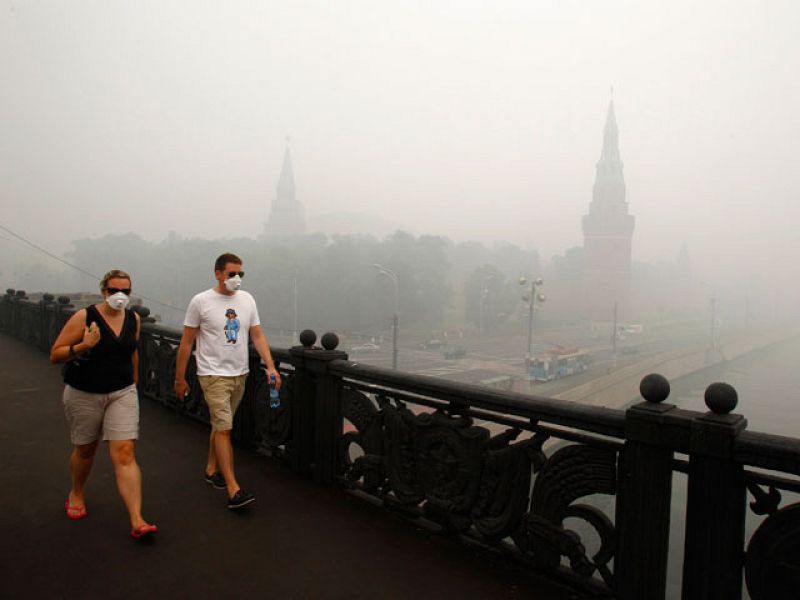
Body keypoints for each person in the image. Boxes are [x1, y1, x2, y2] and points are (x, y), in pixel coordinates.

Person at [50, 269, 157, 539]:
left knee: (124, 453)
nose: (120, 296)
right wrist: (84, 345)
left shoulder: (133, 318)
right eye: (114, 291)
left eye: (126, 291)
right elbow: (56, 354)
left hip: (121, 392)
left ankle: (137, 519)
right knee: (86, 450)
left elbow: (131, 352)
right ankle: (77, 491)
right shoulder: (85, 317)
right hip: (84, 392)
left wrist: (133, 384)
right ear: (103, 291)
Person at [174, 253, 280, 509]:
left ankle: (211, 469)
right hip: (212, 375)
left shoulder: (247, 300)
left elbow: (257, 335)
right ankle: (233, 489)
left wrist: (271, 366)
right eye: (231, 274)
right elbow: (187, 342)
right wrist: (179, 378)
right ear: (218, 273)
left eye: (240, 274)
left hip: (239, 373)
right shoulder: (201, 302)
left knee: (222, 424)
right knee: (224, 428)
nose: (236, 279)